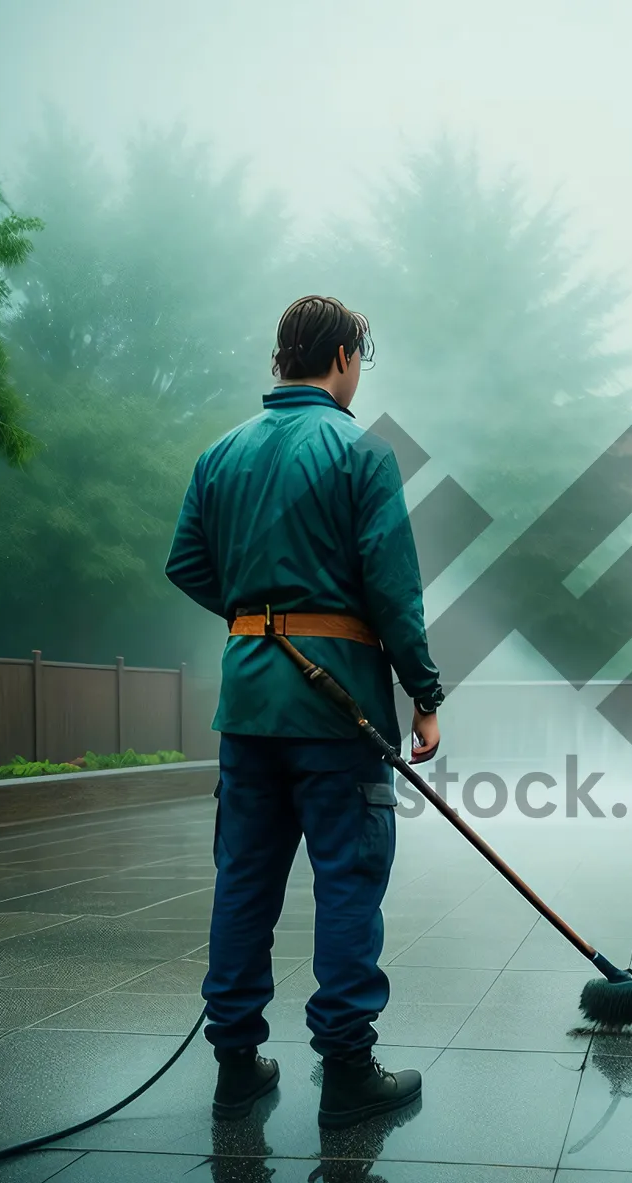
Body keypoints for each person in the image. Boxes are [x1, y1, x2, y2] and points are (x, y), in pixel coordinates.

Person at [165, 295, 445, 1129]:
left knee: (244, 881)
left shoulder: (220, 455)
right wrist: (425, 694)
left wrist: (258, 619)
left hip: (248, 706)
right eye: (362, 357)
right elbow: (393, 590)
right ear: (345, 356)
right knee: (348, 879)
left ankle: (235, 1066)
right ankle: (349, 1070)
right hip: (338, 713)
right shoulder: (361, 453)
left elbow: (186, 562)